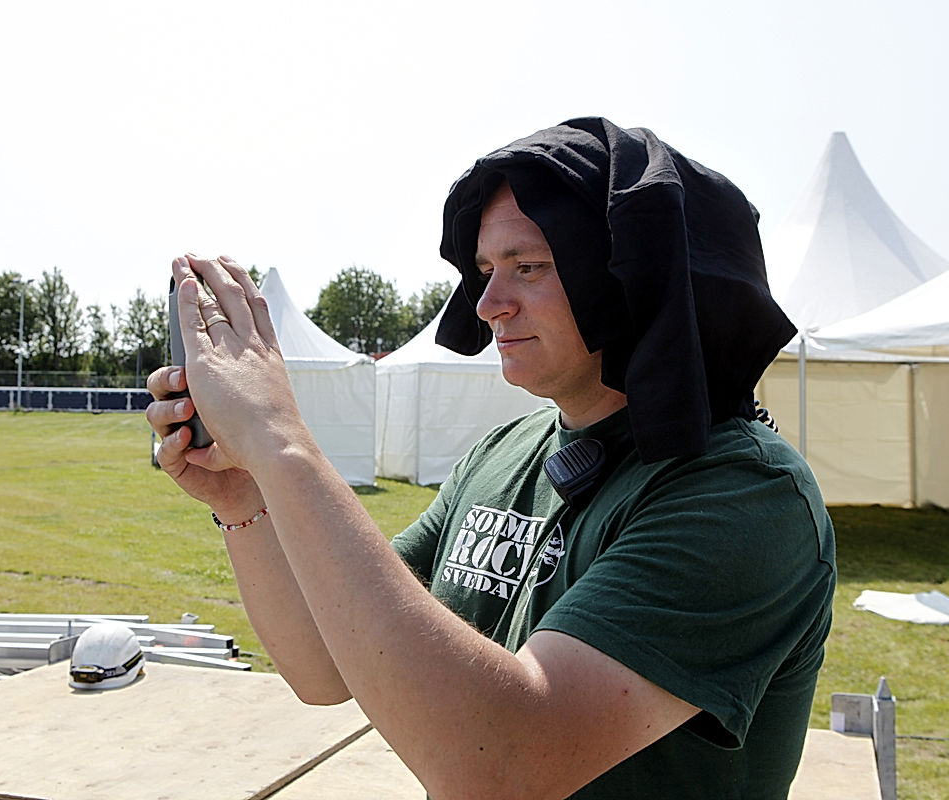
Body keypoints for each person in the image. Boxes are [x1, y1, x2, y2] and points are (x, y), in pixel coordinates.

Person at [146, 117, 836, 800]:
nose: (489, 303)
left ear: (630, 280)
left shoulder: (745, 495)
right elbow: (327, 665)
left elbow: (500, 769)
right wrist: (245, 499)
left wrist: (281, 442)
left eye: (527, 267)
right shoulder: (505, 453)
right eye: (484, 270)